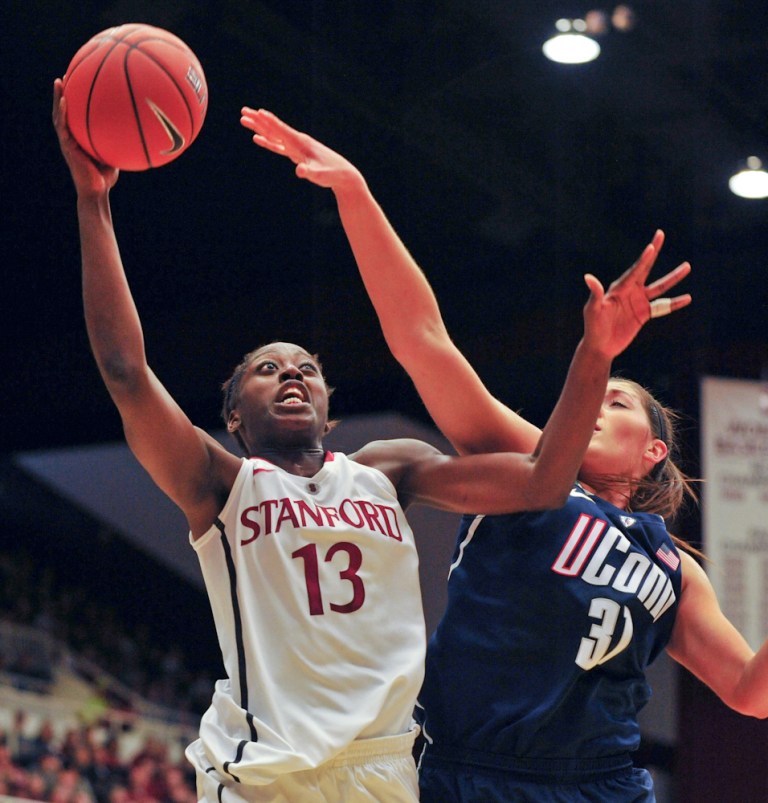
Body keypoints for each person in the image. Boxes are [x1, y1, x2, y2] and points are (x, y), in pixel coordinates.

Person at [52, 68, 684, 803]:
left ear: (330, 407)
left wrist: (594, 354)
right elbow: (127, 371)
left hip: (385, 770)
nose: (290, 375)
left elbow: (545, 479)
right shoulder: (220, 483)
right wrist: (94, 201)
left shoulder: (391, 470)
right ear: (232, 415)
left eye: (306, 369)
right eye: (266, 369)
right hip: (266, 771)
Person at [241, 108, 768, 802]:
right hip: (471, 773)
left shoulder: (676, 567)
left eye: (616, 403)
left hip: (602, 784)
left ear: (652, 451)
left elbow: (747, 690)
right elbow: (424, 339)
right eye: (593, 394)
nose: (594, 405)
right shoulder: (527, 469)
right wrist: (356, 194)